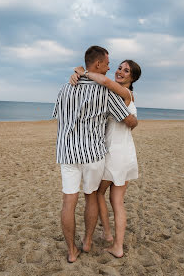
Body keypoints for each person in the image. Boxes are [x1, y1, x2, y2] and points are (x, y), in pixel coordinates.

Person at [53, 46, 138, 263]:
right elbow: (128, 120)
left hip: (68, 152)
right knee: (91, 195)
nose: (111, 68)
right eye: (109, 64)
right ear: (98, 64)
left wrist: (79, 74)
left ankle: (72, 251)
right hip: (93, 153)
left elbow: (59, 117)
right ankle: (88, 241)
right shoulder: (106, 92)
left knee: (68, 201)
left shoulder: (64, 88)